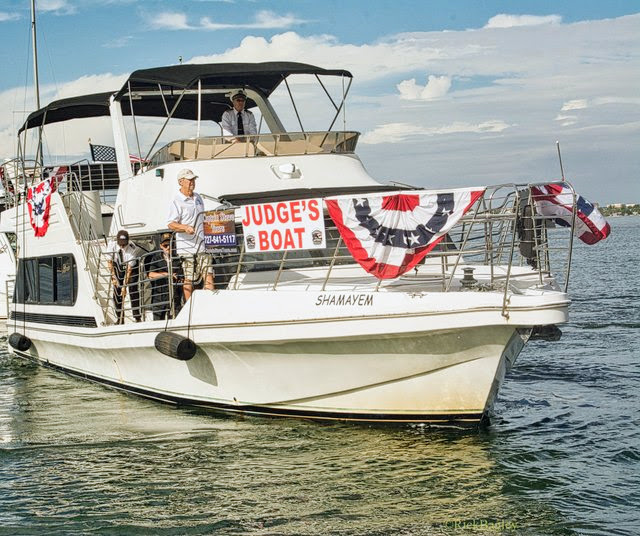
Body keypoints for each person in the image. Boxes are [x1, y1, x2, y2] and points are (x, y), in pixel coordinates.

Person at [167, 168, 214, 301]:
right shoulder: (176, 200)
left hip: (203, 244)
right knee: (189, 278)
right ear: (181, 182)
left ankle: (210, 303)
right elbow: (170, 223)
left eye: (193, 179)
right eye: (189, 180)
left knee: (208, 273)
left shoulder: (198, 197)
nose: (192, 182)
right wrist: (185, 227)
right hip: (187, 247)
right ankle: (189, 306)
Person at [107, 229, 142, 324]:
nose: (122, 246)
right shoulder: (112, 245)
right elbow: (109, 263)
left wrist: (124, 286)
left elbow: (129, 269)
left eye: (124, 244)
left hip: (131, 268)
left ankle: (137, 317)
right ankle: (120, 318)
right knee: (116, 292)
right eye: (120, 244)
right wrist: (114, 278)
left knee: (133, 289)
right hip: (117, 265)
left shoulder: (132, 248)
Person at [146, 233, 182, 320]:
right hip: (159, 297)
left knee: (175, 323)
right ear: (161, 246)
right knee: (158, 323)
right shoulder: (156, 259)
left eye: (170, 244)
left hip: (174, 297)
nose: (168, 247)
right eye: (165, 245)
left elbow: (182, 277)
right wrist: (167, 275)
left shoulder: (177, 259)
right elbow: (151, 275)